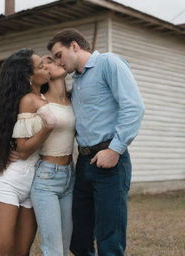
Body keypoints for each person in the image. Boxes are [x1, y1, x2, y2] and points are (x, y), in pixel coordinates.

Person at [47, 29, 145, 256]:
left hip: (110, 160)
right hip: (83, 162)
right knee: (78, 238)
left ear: (74, 46)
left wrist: (115, 149)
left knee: (109, 239)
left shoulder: (108, 63)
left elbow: (134, 107)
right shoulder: (77, 80)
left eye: (59, 55)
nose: (59, 62)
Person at [0, 48, 55, 256]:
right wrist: (46, 128)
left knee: (22, 252)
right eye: (40, 66)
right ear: (29, 76)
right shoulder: (26, 100)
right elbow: (23, 149)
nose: (45, 67)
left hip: (35, 185)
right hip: (10, 184)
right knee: (3, 249)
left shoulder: (47, 98)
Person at [30, 55, 76, 256]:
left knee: (66, 247)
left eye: (56, 58)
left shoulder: (74, 100)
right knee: (53, 250)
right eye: (47, 62)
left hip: (70, 175)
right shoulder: (38, 102)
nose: (56, 62)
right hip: (46, 177)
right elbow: (19, 134)